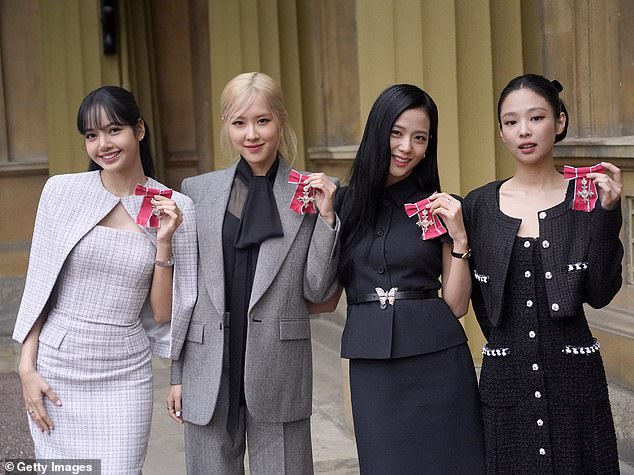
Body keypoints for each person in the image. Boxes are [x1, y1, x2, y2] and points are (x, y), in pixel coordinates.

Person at [13, 86, 197, 474]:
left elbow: (164, 314)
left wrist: (163, 243)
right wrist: (27, 370)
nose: (102, 144)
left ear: (140, 130)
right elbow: (39, 288)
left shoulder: (176, 206)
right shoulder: (61, 193)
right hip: (57, 368)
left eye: (114, 130)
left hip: (125, 374)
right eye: (91, 135)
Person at [166, 71, 340, 475]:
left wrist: (328, 217)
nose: (251, 134)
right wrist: (178, 372)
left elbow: (317, 288)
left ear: (280, 120)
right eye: (239, 122)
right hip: (209, 366)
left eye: (262, 120)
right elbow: (185, 291)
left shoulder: (312, 191)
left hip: (279, 367)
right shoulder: (198, 191)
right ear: (226, 125)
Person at [463, 74, 623, 473]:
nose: (524, 131)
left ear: (560, 122)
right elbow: (476, 300)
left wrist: (607, 215)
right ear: (501, 131)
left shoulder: (584, 198)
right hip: (506, 380)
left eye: (535, 118)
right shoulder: (479, 205)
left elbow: (601, 292)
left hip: (574, 378)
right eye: (511, 122)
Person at [334, 84, 485, 474]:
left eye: (420, 138)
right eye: (397, 133)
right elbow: (319, 288)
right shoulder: (342, 204)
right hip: (373, 366)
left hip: (439, 361)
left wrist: (460, 238)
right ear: (378, 131)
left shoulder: (441, 207)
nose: (406, 147)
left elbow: (455, 305)